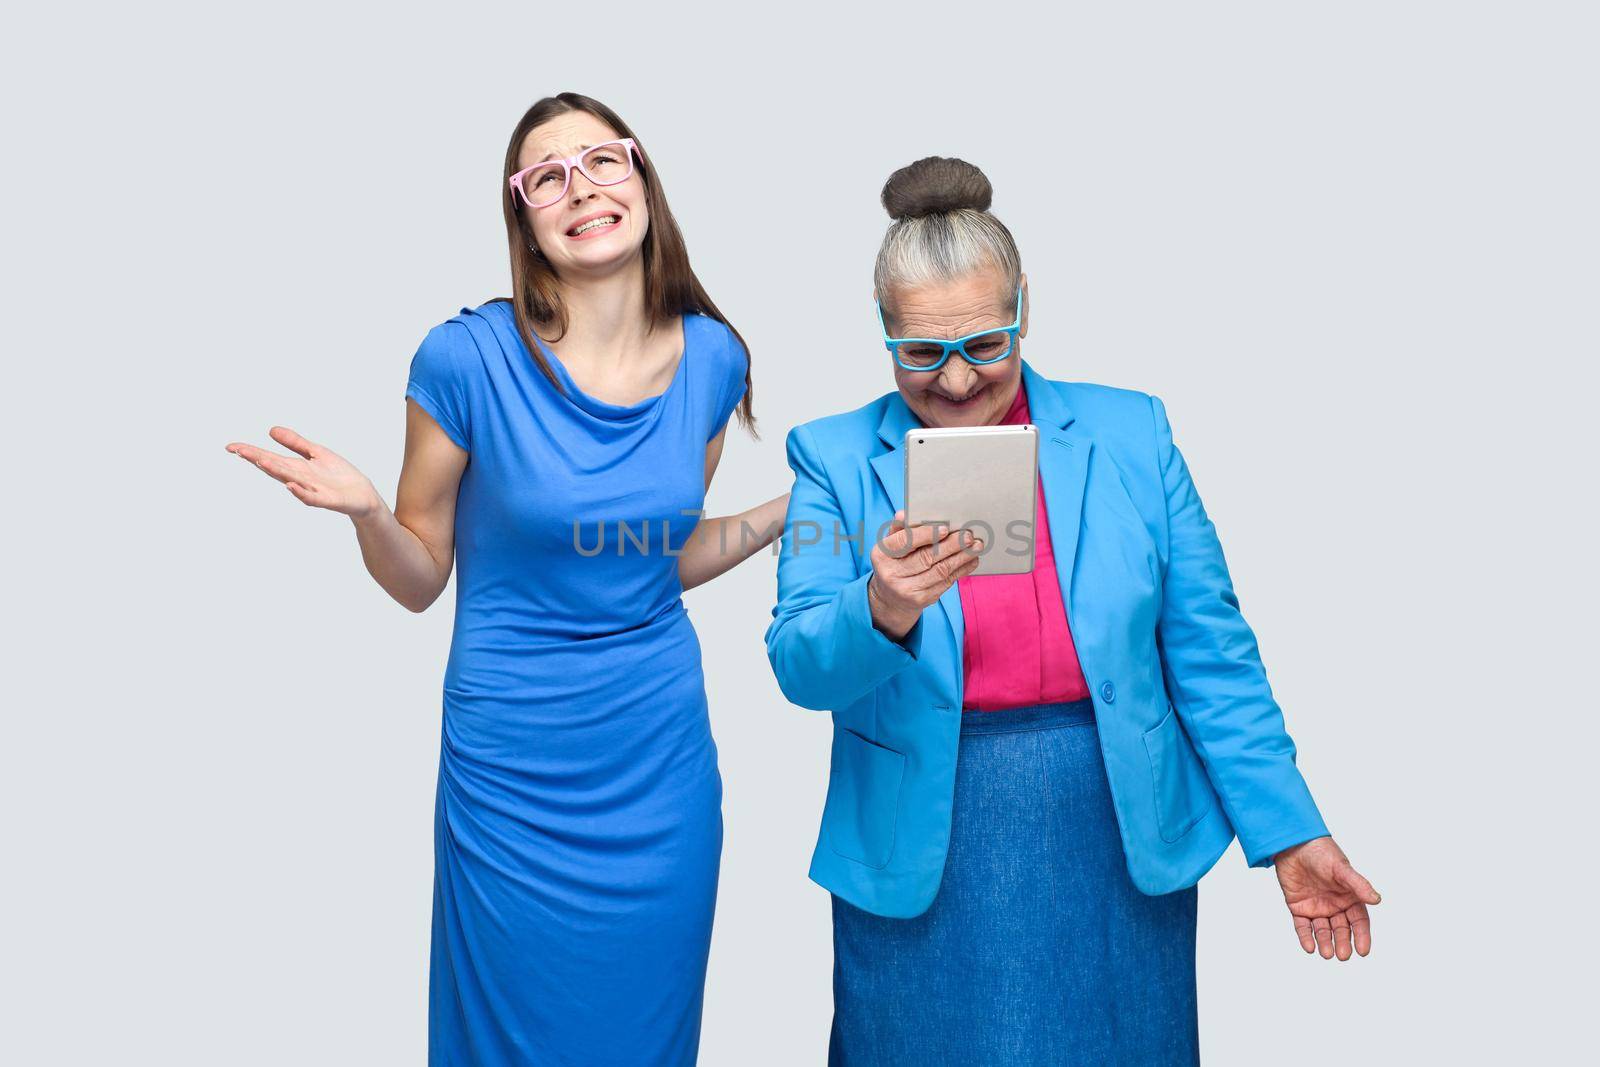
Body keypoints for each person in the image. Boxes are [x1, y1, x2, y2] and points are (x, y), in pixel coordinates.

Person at [765, 156, 1380, 1065]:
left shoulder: (1133, 433)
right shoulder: (832, 455)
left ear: (1024, 308)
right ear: (885, 332)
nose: (960, 380)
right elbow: (798, 663)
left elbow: (1211, 655)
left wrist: (1289, 830)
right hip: (921, 839)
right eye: (923, 353)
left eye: (984, 343)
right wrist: (881, 604)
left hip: (1116, 825)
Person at [227, 92, 788, 1066]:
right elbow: (419, 578)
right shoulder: (464, 358)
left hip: (656, 759)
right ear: (522, 213)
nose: (581, 186)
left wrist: (789, 511)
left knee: (645, 1035)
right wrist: (369, 511)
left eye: (602, 160)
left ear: (641, 175)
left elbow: (650, 558)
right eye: (547, 175)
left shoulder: (713, 355)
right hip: (512, 767)